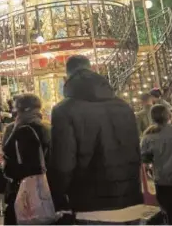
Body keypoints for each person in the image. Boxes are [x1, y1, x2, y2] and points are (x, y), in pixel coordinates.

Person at [48, 55, 143, 224]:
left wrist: (58, 198)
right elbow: (136, 151)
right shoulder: (124, 107)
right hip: (131, 202)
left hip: (90, 206)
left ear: (66, 78)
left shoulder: (64, 110)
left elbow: (63, 164)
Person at [2, 94, 51, 225]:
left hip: (18, 190)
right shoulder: (48, 129)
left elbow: (7, 164)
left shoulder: (11, 130)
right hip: (46, 189)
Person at [141, 104, 172, 223]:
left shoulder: (148, 136)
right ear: (168, 115)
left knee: (168, 210)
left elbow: (145, 159)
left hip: (162, 180)